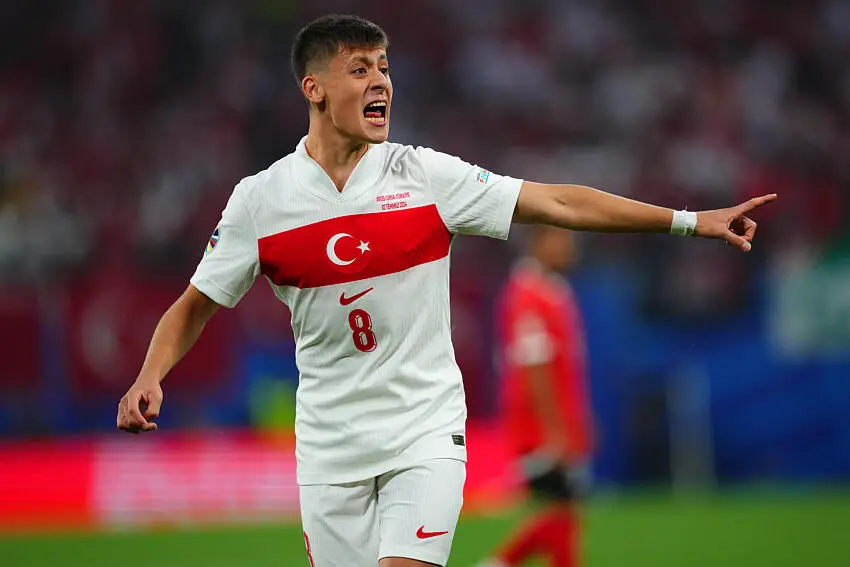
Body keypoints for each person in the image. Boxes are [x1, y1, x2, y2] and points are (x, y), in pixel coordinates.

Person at [115, 14, 775, 567]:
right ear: (313, 89)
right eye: (359, 69)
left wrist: (690, 221)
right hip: (328, 450)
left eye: (384, 67)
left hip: (423, 433)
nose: (380, 81)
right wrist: (150, 374)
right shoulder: (261, 201)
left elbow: (558, 202)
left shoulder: (424, 176)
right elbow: (196, 304)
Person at [481, 228, 593, 567]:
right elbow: (535, 369)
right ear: (538, 242)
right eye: (562, 239)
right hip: (539, 428)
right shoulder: (527, 294)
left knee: (562, 514)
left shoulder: (551, 289)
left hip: (559, 422)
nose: (570, 246)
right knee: (563, 511)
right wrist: (555, 431)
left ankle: (499, 562)